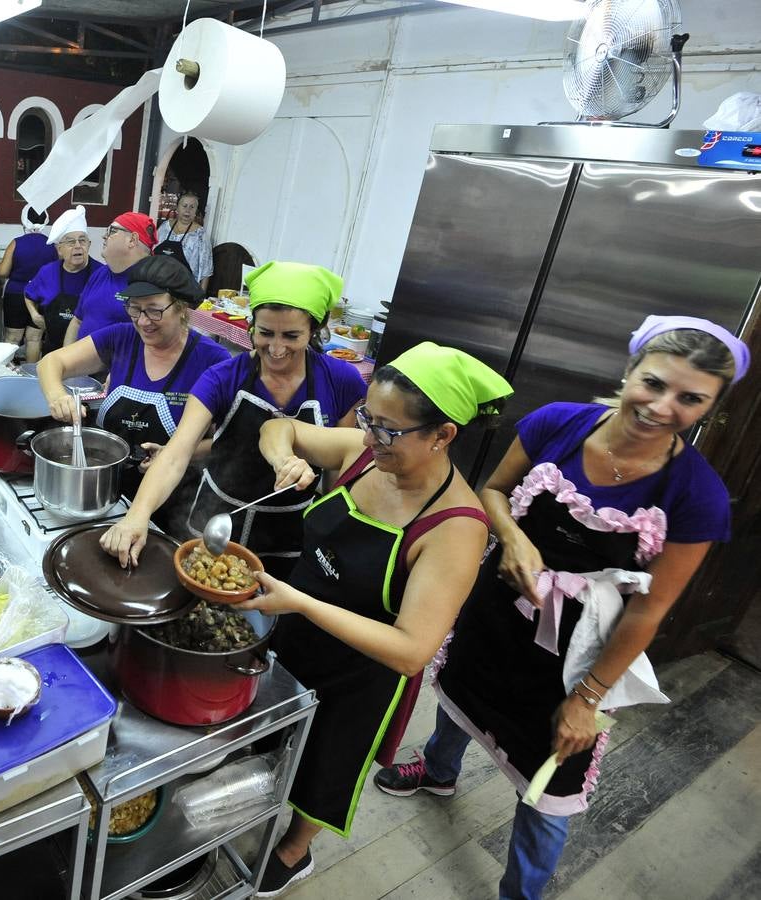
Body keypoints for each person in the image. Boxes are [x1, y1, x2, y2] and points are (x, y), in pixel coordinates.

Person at [372, 317, 746, 900]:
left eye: (690, 398)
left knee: (550, 787)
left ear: (711, 410)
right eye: (653, 383)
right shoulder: (557, 425)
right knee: (459, 692)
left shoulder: (697, 497)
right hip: (500, 607)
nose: (661, 406)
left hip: (577, 652)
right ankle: (440, 773)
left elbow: (649, 612)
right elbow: (492, 490)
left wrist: (588, 698)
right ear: (628, 372)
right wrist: (514, 538)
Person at [244, 341, 513, 897]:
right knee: (265, 738)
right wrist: (284, 457)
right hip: (292, 629)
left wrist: (300, 602)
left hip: (361, 669)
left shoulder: (456, 527)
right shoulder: (364, 454)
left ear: (442, 436)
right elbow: (279, 427)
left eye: (388, 429)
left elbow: (412, 649)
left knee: (327, 763)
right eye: (368, 416)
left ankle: (295, 853)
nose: (369, 437)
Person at [100, 261, 367, 578]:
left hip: (291, 535)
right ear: (251, 325)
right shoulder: (222, 377)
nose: (277, 348)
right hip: (213, 525)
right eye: (265, 333)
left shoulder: (342, 380)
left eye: (292, 336)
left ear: (315, 330)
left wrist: (332, 533)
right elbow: (176, 453)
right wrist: (138, 514)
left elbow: (339, 469)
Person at [36, 255, 229, 501]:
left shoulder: (213, 360)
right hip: (104, 485)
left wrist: (174, 452)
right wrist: (57, 395)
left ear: (181, 308)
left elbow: (227, 439)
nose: (143, 321)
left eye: (154, 311)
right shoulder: (121, 338)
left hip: (173, 496)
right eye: (135, 309)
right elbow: (51, 363)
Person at [64, 211, 155, 346]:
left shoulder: (151, 283)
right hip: (80, 364)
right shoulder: (100, 273)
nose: (104, 236)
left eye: (112, 231)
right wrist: (66, 359)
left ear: (132, 240)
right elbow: (77, 320)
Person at [23, 205, 101, 359]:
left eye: (82, 240)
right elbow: (28, 294)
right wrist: (34, 315)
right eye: (71, 242)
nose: (78, 246)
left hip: (88, 353)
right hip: (52, 350)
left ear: (89, 245)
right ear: (59, 249)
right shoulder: (47, 272)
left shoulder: (101, 274)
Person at [0, 207, 57, 350]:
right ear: (45, 221)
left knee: (12, 337)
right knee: (35, 339)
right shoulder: (52, 245)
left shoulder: (16, 243)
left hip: (16, 294)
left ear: (24, 219)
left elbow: (2, 272)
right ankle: (31, 372)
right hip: (42, 296)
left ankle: (7, 372)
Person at [153, 190, 213, 293]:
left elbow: (206, 271)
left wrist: (200, 298)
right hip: (158, 286)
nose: (187, 210)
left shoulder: (200, 235)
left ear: (196, 211)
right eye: (184, 205)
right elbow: (152, 254)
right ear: (177, 208)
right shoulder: (164, 227)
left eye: (192, 207)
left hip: (184, 290)